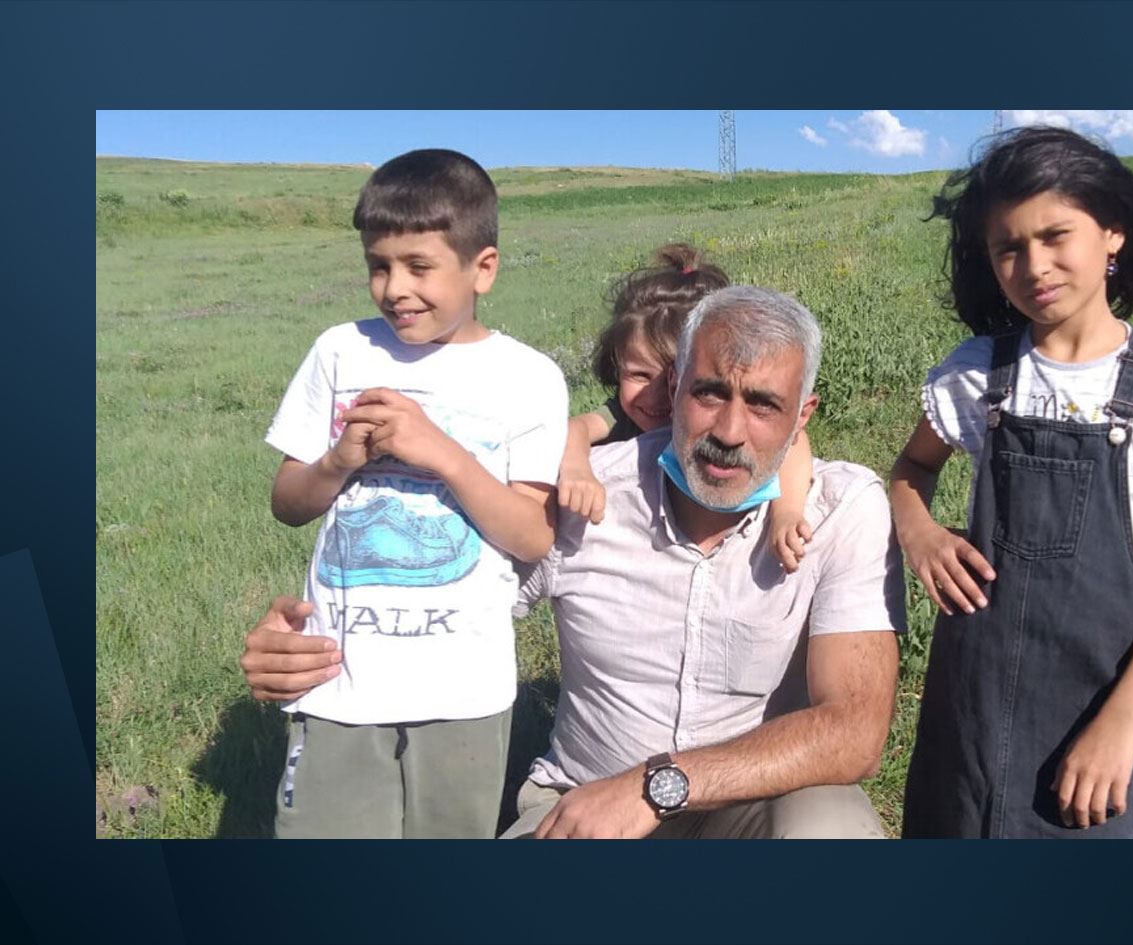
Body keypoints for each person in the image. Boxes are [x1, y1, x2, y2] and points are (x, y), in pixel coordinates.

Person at [245, 285, 905, 839]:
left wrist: (654, 786)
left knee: (834, 829)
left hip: (751, 805)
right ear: (673, 389)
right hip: (582, 803)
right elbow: (442, 604)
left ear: (802, 416)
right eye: (709, 394)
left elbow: (853, 729)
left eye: (763, 405)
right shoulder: (585, 499)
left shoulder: (842, 510)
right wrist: (312, 635)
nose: (730, 432)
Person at [894, 126, 1133, 838]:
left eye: (1056, 235)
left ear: (1112, 232)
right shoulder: (977, 373)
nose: (1034, 265)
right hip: (967, 709)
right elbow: (911, 469)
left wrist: (1122, 720)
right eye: (1009, 248)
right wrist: (919, 532)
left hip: (1095, 717)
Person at [259, 148, 567, 838]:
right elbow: (288, 502)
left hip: (464, 690)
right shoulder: (340, 351)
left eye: (418, 266)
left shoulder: (528, 377)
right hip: (337, 681)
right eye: (378, 265)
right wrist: (339, 459)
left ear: (483, 268)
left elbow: (532, 534)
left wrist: (442, 452)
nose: (395, 288)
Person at [557, 243, 816, 573]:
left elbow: (794, 443)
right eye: (639, 375)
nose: (656, 395)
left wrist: (787, 512)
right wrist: (577, 469)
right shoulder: (621, 416)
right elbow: (576, 428)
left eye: (674, 378)